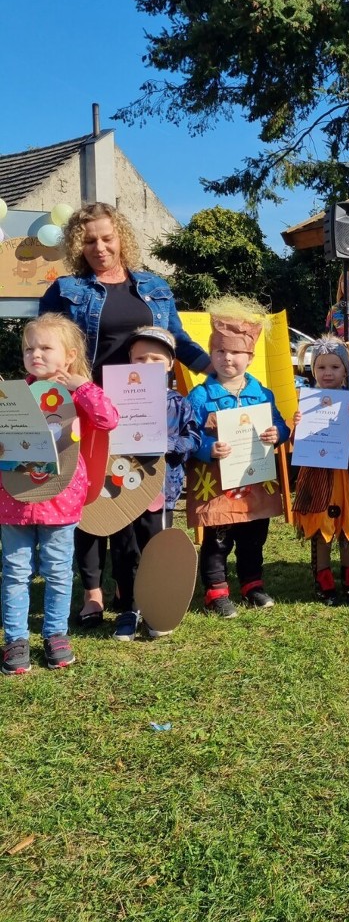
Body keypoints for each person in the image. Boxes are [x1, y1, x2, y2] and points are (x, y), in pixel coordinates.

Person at [38, 201, 210, 628]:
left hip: (142, 410)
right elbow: (46, 345)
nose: (100, 247)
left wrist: (215, 370)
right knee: (92, 497)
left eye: (107, 238)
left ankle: (130, 587)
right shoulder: (65, 290)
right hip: (88, 407)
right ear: (79, 244)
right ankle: (94, 593)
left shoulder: (154, 286)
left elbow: (179, 341)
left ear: (122, 239)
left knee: (133, 495)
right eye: (90, 240)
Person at [1, 315, 119, 674]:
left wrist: (83, 386)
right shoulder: (15, 395)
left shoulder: (77, 394)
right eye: (29, 348)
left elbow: (108, 419)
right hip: (14, 500)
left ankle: (55, 634)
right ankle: (16, 639)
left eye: (45, 347)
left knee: (56, 570)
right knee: (15, 571)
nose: (35, 354)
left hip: (60, 500)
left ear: (68, 356)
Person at [186, 296, 288, 618]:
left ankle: (252, 585)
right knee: (217, 540)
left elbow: (281, 424)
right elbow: (187, 436)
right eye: (220, 351)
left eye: (235, 352)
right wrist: (207, 448)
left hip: (254, 481)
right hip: (216, 485)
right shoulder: (199, 396)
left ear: (250, 356)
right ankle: (216, 592)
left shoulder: (263, 394)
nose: (227, 358)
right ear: (211, 353)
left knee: (253, 536)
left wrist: (277, 434)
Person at [111, 326, 202, 640]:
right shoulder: (116, 399)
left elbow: (193, 437)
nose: (145, 364)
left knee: (155, 548)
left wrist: (169, 443)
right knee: (125, 548)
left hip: (160, 490)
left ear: (169, 363)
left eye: (154, 358)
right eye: (139, 358)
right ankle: (128, 608)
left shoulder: (179, 403)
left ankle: (155, 608)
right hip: (122, 487)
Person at [291, 336, 349, 605]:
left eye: (335, 367)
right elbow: (296, 444)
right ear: (313, 370)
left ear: (345, 370)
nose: (328, 373)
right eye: (322, 367)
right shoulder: (306, 400)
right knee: (321, 526)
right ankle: (323, 583)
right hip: (317, 473)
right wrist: (298, 425)